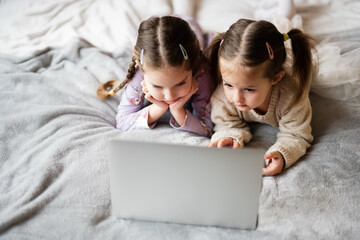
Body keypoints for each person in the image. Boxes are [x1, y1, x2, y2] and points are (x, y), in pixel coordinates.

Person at [205, 18, 315, 176]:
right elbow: (226, 122)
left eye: (249, 89)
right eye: (228, 84)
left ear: (276, 78)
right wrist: (230, 136)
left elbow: (297, 134)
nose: (237, 98)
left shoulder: (291, 96)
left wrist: (282, 155)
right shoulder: (222, 96)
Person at [97, 16, 213, 137]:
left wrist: (178, 110)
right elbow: (122, 122)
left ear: (193, 68)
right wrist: (157, 108)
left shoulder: (200, 72)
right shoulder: (140, 74)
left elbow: (207, 128)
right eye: (157, 86)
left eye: (180, 83)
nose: (169, 96)